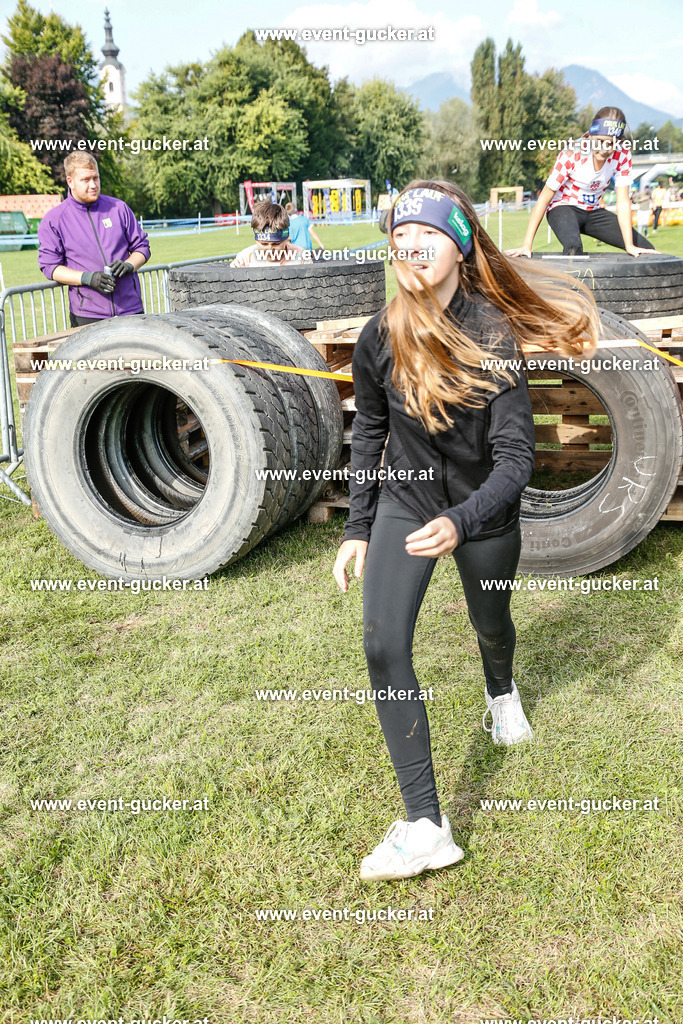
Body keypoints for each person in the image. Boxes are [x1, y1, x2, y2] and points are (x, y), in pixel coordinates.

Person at [333, 179, 599, 882]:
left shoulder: (491, 333)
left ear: (457, 247)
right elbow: (369, 433)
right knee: (382, 644)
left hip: (483, 509)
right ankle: (425, 823)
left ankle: (500, 692)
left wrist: (463, 521)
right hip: (408, 503)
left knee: (490, 621)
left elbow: (517, 460)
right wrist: (357, 525)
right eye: (397, 238)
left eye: (425, 235)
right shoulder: (378, 335)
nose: (409, 247)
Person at [506, 107, 654, 258]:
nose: (603, 149)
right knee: (573, 248)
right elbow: (543, 199)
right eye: (600, 141)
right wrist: (527, 244)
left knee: (645, 249)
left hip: (594, 211)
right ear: (590, 136)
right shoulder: (573, 152)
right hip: (563, 207)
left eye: (611, 144)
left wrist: (629, 245)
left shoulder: (623, 153)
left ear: (620, 142)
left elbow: (622, 201)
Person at [38, 152, 149, 327]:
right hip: (88, 315)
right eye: (85, 180)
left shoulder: (119, 208)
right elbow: (50, 268)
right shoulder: (54, 220)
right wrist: (87, 278)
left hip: (131, 310)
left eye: (96, 178)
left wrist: (129, 265)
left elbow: (142, 248)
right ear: (70, 182)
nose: (93, 185)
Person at [231, 202, 305, 267]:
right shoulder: (245, 259)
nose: (270, 249)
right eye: (264, 244)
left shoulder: (301, 257)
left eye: (276, 244)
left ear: (286, 238)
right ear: (256, 240)